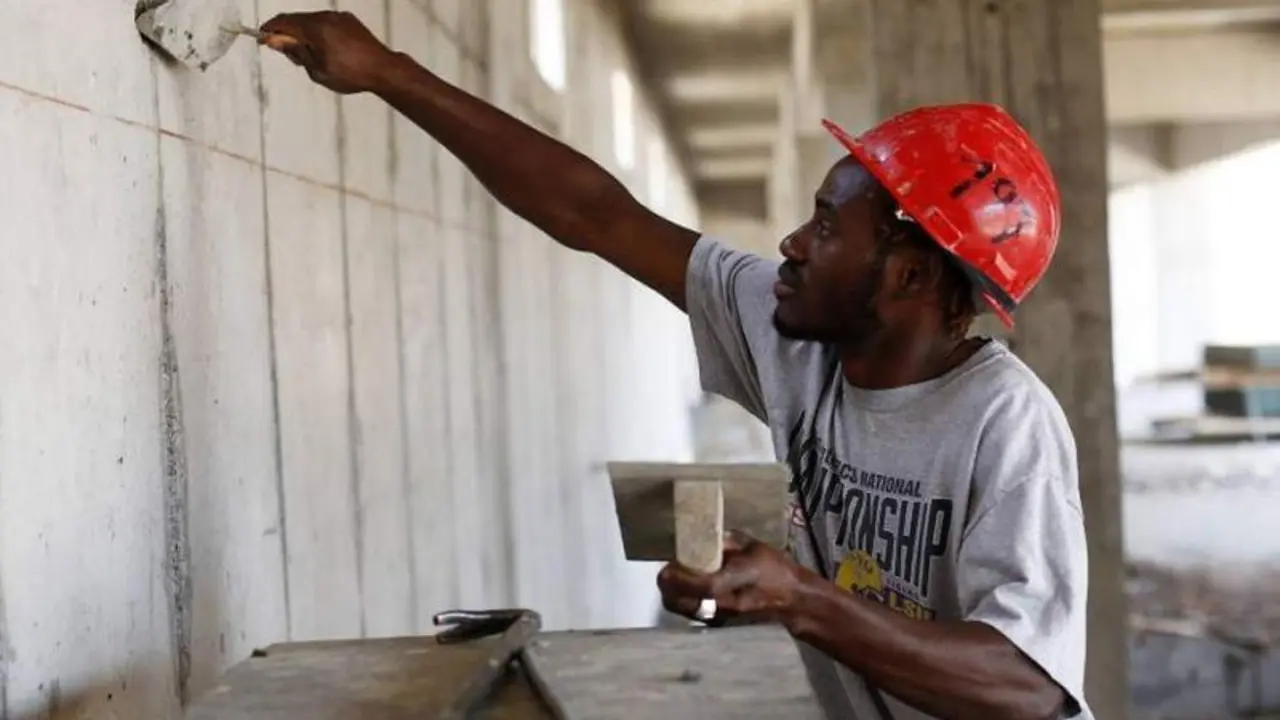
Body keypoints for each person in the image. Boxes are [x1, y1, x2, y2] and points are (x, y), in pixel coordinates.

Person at [258, 10, 1093, 720]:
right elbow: (596, 214)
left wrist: (804, 602)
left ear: (910, 275)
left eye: (828, 228)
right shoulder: (795, 337)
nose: (792, 245)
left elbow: (1026, 687)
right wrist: (389, 74)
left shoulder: (1004, 424)